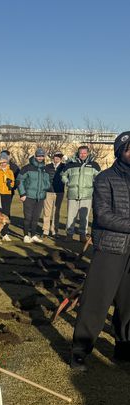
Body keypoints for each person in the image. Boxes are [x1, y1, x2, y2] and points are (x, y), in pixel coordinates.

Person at [70, 132, 130, 371]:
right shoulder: (105, 179)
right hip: (110, 248)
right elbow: (103, 216)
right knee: (96, 302)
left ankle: (124, 351)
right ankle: (80, 352)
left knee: (128, 304)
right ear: (120, 151)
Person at [62, 145, 100, 241]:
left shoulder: (94, 165)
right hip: (73, 194)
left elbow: (99, 177)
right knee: (71, 216)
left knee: (84, 217)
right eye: (81, 153)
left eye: (84, 153)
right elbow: (63, 175)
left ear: (87, 153)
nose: (82, 155)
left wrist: (94, 184)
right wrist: (68, 183)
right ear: (78, 153)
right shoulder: (70, 164)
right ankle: (69, 234)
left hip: (87, 195)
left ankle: (83, 235)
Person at [17, 148, 51, 243]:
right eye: (39, 156)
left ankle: (33, 235)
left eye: (42, 156)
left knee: (36, 218)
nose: (40, 157)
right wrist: (22, 193)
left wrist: (46, 186)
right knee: (28, 217)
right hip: (28, 196)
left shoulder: (45, 168)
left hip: (40, 197)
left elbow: (48, 182)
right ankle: (25, 235)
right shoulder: (27, 168)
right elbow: (19, 181)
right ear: (35, 156)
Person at [42, 152, 65, 238]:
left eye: (59, 157)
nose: (57, 158)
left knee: (56, 212)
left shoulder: (64, 167)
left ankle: (54, 231)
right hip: (48, 191)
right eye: (56, 157)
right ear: (53, 157)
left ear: (61, 158)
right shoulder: (47, 167)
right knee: (47, 211)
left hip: (59, 192)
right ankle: (45, 230)